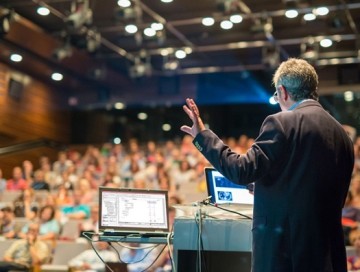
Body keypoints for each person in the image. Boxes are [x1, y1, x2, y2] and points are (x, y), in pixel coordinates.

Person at [180, 58, 355, 272]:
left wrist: (204, 136)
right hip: (327, 256)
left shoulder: (282, 122)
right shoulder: (342, 135)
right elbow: (313, 189)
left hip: (285, 255)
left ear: (282, 92)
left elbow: (241, 170)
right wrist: (264, 188)